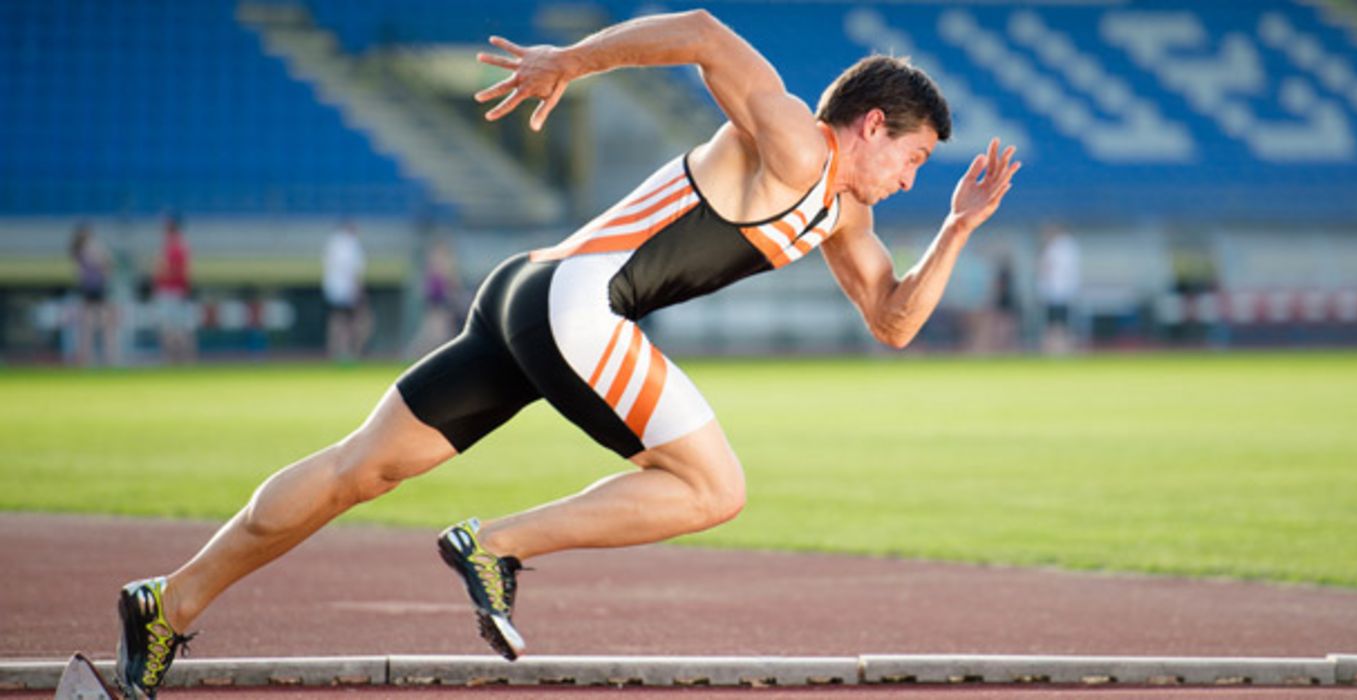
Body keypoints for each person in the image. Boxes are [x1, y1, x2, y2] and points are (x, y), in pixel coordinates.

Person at [113, 10, 1020, 698]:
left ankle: (171, 602)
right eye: (913, 159)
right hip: (577, 306)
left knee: (359, 470)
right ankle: (494, 546)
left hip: (524, 295)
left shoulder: (844, 216)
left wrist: (954, 228)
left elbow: (893, 320)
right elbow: (704, 32)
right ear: (869, 125)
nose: (910, 180)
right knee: (714, 488)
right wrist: (569, 62)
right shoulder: (792, 140)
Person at [68, 222, 119, 366]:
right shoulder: (88, 248)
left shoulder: (81, 250)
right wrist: (105, 263)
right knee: (100, 325)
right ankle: (104, 356)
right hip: (95, 289)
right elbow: (106, 263)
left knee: (91, 325)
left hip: (92, 289)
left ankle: (91, 356)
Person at [322, 220, 371, 361]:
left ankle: (337, 351)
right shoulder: (351, 245)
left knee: (337, 321)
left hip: (334, 290)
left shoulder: (334, 243)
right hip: (347, 291)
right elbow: (353, 271)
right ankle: (349, 352)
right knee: (353, 322)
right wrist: (358, 289)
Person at [152, 215, 197, 364]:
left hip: (173, 292)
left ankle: (178, 358)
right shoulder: (171, 247)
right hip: (171, 292)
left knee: (175, 329)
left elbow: (179, 271)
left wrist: (163, 269)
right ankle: (177, 359)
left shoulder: (177, 248)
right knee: (173, 328)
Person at [1037, 223, 1080, 355]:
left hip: (1056, 291)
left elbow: (1047, 268)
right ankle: (1060, 347)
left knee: (1056, 323)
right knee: (1060, 322)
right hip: (1063, 290)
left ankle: (1057, 348)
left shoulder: (1056, 248)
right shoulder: (1069, 247)